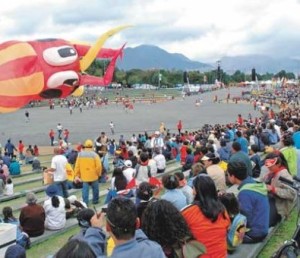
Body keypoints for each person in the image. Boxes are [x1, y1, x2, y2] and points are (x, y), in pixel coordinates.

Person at [88, 197, 166, 257]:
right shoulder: (155, 249)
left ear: (107, 227)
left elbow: (87, 254)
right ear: (138, 223)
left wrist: (95, 230)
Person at [181, 175, 230, 258]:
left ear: (195, 191)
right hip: (221, 254)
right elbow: (227, 227)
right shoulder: (222, 209)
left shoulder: (187, 212)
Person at [227, 161, 269, 243]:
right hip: (262, 228)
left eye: (228, 174)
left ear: (233, 176)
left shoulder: (245, 193)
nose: (227, 176)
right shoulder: (254, 184)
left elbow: (244, 218)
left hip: (254, 234)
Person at [262, 152, 296, 225]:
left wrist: (273, 189)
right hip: (271, 199)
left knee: (265, 221)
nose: (268, 168)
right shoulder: (272, 172)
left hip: (279, 206)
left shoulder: (284, 175)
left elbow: (293, 193)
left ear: (278, 164)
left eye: (271, 166)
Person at [74, 139, 102, 205]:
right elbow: (99, 166)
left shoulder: (80, 154)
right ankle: (95, 201)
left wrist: (77, 175)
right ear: (92, 146)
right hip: (94, 176)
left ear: (85, 146)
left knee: (85, 191)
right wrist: (99, 174)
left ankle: (85, 203)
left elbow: (77, 166)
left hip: (84, 176)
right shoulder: (95, 155)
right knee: (95, 189)